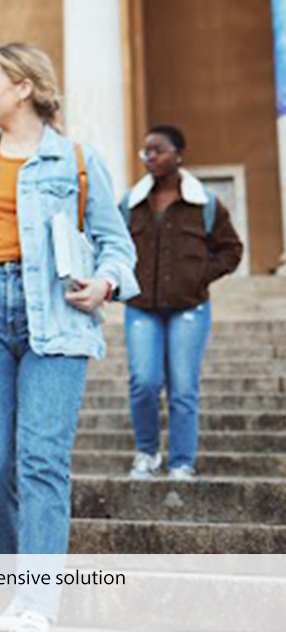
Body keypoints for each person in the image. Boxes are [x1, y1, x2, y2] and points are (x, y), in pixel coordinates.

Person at [0, 43, 138, 632]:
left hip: (57, 316)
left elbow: (117, 242)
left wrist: (106, 283)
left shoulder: (79, 162)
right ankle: (19, 586)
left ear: (24, 87)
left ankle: (38, 603)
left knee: (41, 460)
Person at [121, 125, 243, 481]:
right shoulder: (130, 202)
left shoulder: (204, 203)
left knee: (183, 386)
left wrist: (200, 275)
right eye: (146, 151)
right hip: (142, 307)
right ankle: (146, 453)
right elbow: (111, 242)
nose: (151, 157)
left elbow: (231, 250)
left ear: (178, 154)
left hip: (190, 307)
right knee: (143, 380)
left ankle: (181, 462)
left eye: (158, 150)